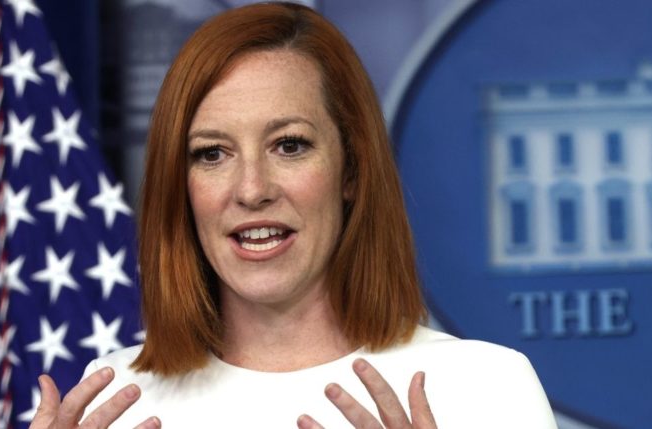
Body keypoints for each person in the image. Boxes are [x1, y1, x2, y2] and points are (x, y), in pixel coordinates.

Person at [30, 2, 557, 428]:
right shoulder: (113, 399)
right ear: (180, 185)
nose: (252, 189)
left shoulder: (484, 388)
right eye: (212, 153)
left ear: (352, 170)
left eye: (289, 145)